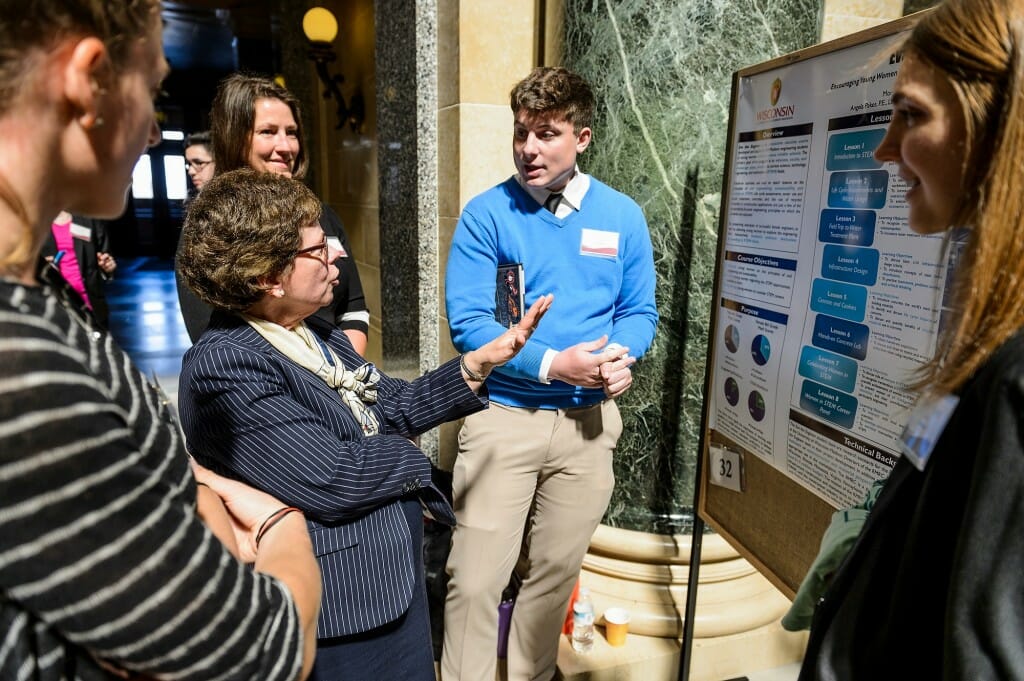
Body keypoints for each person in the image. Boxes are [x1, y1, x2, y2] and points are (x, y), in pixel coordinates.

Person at [0, 2, 323, 679]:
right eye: (150, 88)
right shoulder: (20, 362)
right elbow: (261, 645)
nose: (151, 131)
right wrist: (280, 527)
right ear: (89, 80)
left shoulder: (39, 291)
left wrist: (191, 493)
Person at [176, 168, 553, 681]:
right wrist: (416, 460)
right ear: (268, 276)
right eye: (317, 249)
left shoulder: (311, 334)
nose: (337, 256)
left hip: (387, 583)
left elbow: (392, 403)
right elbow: (334, 475)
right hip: (341, 606)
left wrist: (477, 364)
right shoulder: (226, 364)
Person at [798, 0, 1024, 677]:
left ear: (1001, 119)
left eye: (913, 113)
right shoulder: (989, 328)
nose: (885, 148)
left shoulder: (1015, 371)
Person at [442, 66, 658, 680]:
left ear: (582, 138)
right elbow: (470, 324)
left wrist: (622, 357)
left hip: (588, 426)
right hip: (503, 418)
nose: (528, 149)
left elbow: (640, 311)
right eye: (520, 133)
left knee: (553, 579)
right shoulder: (488, 215)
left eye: (547, 134)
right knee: (476, 579)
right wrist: (550, 363)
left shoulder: (622, 217)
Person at [176, 73, 370, 353]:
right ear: (234, 137)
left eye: (291, 132)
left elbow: (353, 308)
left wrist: (342, 375)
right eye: (268, 132)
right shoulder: (210, 227)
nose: (286, 147)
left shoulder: (319, 214)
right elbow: (213, 336)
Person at [40, 210, 117, 327]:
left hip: (91, 305)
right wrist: (41, 268)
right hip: (56, 307)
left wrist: (107, 268)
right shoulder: (36, 224)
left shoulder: (89, 218)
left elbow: (104, 255)